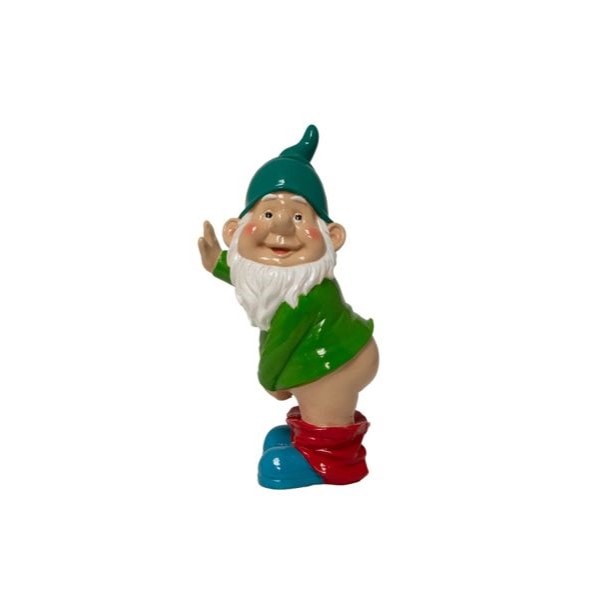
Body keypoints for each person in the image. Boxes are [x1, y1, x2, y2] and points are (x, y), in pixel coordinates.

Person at [198, 125, 378, 489]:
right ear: (235, 231)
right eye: (267, 215)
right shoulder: (285, 278)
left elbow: (282, 343)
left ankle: (329, 462)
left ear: (332, 237)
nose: (281, 225)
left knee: (323, 403)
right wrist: (219, 263)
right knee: (313, 399)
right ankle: (305, 437)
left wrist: (271, 382)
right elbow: (258, 278)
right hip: (321, 356)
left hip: (334, 360)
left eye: (298, 217)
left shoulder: (311, 293)